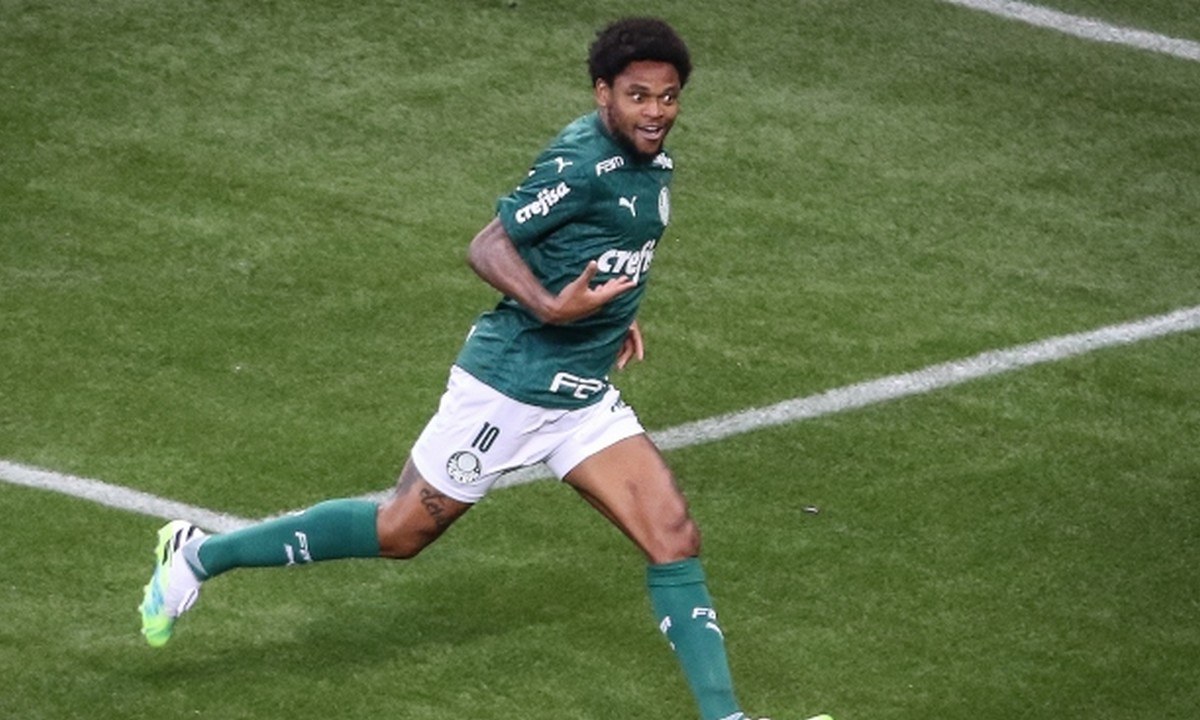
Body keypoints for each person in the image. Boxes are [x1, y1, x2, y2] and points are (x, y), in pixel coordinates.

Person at [138, 16, 831, 720]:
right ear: (603, 93)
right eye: (638, 96)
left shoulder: (652, 163)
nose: (656, 112)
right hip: (510, 386)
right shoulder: (580, 164)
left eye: (669, 97)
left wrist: (614, 312)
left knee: (672, 535)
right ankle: (196, 556)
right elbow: (490, 245)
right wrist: (552, 307)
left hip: (581, 396)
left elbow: (601, 248)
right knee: (400, 531)